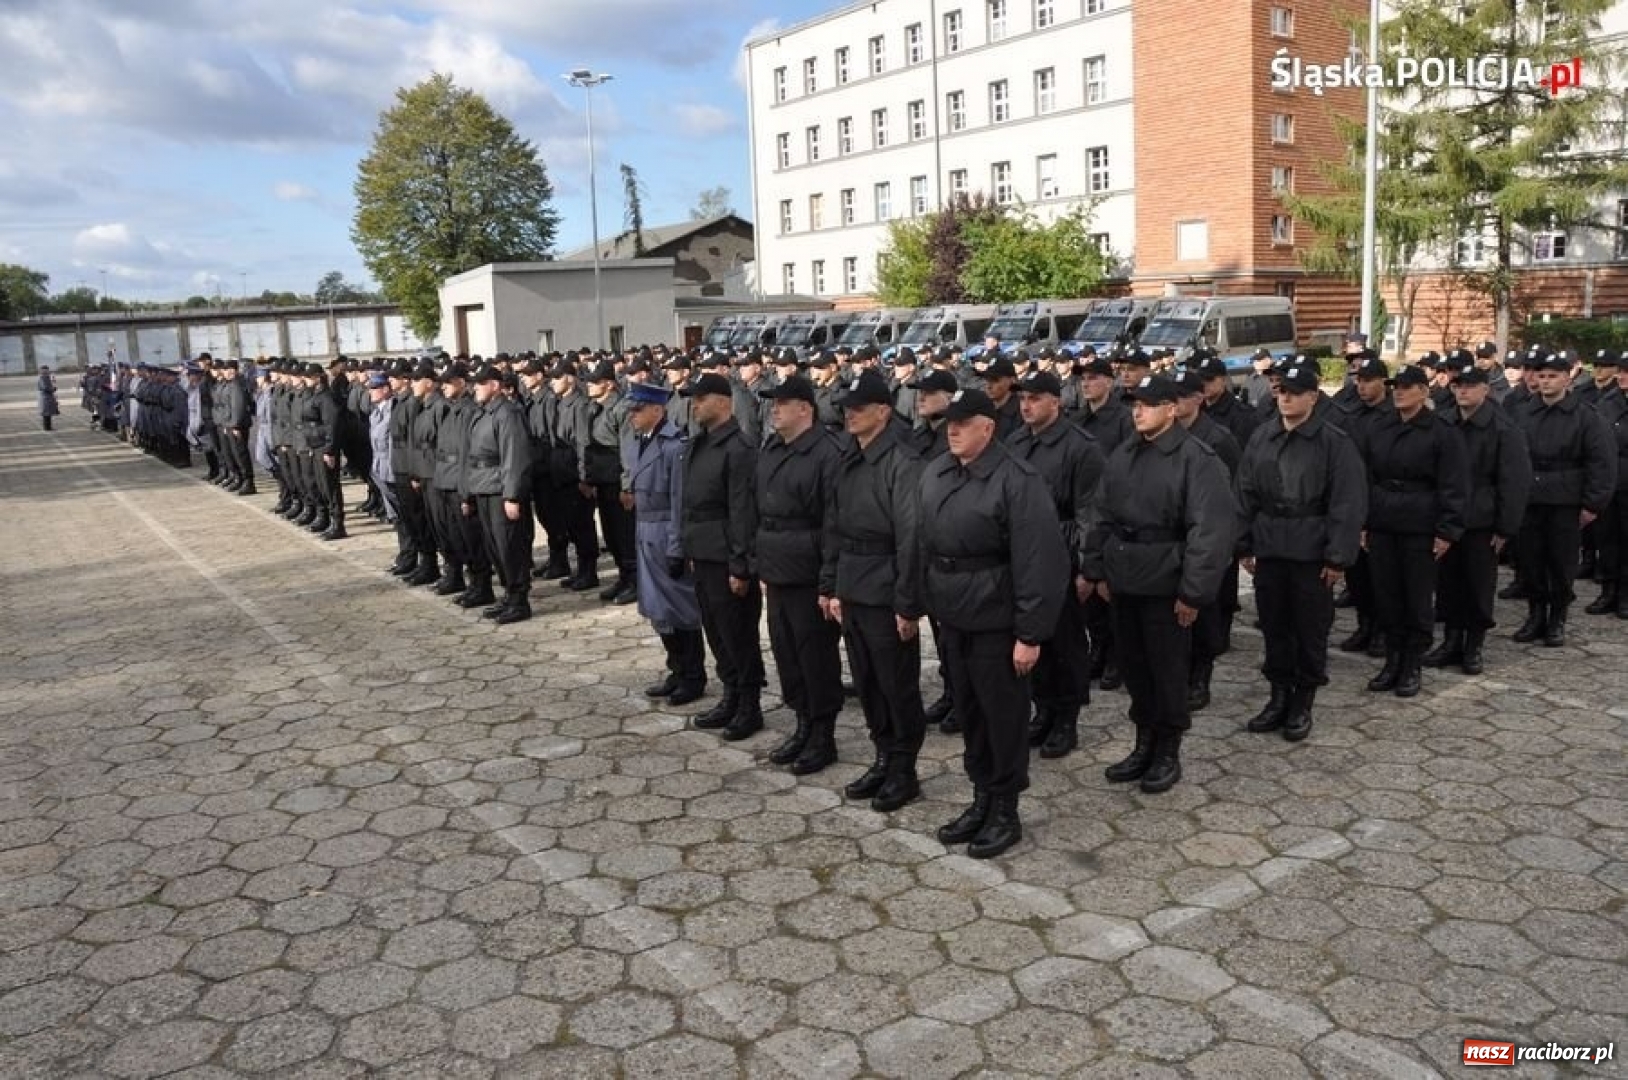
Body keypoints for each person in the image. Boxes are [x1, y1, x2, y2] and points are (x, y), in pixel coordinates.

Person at [920, 388, 1069, 858]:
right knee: (969, 711)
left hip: (996, 619)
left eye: (963, 422)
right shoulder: (940, 472)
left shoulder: (1016, 479)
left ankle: (1005, 808)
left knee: (1001, 716)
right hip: (953, 614)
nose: (953, 430)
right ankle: (980, 796)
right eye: (949, 422)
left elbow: (1038, 560)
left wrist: (1030, 634)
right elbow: (922, 541)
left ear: (989, 427)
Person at [1080, 374, 1237, 794]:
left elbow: (1210, 532)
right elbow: (1100, 514)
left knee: (1167, 671)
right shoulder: (1124, 454)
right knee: (1135, 667)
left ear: (1172, 408)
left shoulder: (1196, 458)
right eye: (1134, 403)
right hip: (1126, 577)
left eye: (1148, 404)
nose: (1138, 410)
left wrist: (1194, 592)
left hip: (1167, 584)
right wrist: (1096, 569)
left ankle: (1167, 749)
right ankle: (1143, 742)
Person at [1235, 362, 1366, 740]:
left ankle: (1302, 701)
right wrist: (1242, 543)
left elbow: (1347, 502)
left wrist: (1337, 557)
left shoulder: (1333, 442)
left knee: (1309, 629)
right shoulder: (1262, 436)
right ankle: (1278, 695)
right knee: (1275, 625)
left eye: (1294, 392)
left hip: (1311, 549)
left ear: (1313, 397)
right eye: (1280, 391)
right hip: (1271, 544)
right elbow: (1244, 491)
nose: (1286, 398)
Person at [823, 370, 928, 813]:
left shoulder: (902, 461)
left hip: (886, 587)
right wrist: (831, 585)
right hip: (853, 583)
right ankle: (883, 755)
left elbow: (912, 536)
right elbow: (834, 525)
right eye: (846, 408)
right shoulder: (849, 456)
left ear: (884, 411)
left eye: (860, 408)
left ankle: (904, 768)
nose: (850, 415)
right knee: (866, 681)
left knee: (895, 682)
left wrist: (907, 602)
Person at [1007, 368, 1105, 758]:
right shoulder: (1015, 441)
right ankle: (1043, 709)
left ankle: (1066, 718)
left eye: (1034, 398)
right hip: (1024, 556)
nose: (1026, 405)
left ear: (1055, 401)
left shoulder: (1081, 447)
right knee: (1033, 637)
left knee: (1064, 643)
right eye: (1022, 399)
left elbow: (1091, 514)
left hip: (1062, 554)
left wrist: (1086, 568)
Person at [1355, 365, 1469, 697]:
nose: (1399, 392)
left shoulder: (1442, 432)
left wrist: (1447, 531)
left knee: (1416, 598)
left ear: (1424, 391)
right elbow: (1364, 477)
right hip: (1383, 521)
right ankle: (1392, 659)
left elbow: (1454, 485)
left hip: (1420, 524)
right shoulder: (1379, 427)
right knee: (1387, 595)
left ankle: (1412, 664)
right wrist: (1363, 522)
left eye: (1407, 387)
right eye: (1395, 387)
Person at [756, 373, 846, 773]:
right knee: (786, 652)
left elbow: (834, 522)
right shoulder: (773, 446)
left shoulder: (827, 452)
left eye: (782, 402)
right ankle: (802, 722)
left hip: (809, 572)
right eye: (772, 402)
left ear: (805, 409)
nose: (774, 408)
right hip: (777, 567)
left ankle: (823, 734)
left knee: (815, 656)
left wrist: (829, 583)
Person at [1428, 363, 1532, 672]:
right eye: (1458, 385)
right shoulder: (1443, 422)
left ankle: (1473, 645)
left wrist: (1505, 527)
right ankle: (1450, 640)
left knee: (1477, 585)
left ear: (1485, 390)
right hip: (1448, 518)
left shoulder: (1503, 428)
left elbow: (1514, 482)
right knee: (1447, 584)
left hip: (1481, 520)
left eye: (1470, 386)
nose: (1462, 391)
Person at [1510, 348, 1617, 646]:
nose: (1544, 381)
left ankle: (1557, 618)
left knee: (1560, 564)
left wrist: (1593, 504)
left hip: (1565, 501)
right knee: (1530, 561)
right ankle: (1535, 615)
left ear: (1567, 378)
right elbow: (1511, 458)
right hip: (1530, 498)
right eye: (1540, 375)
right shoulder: (1524, 413)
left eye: (1552, 376)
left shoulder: (1585, 416)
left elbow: (1601, 462)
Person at [679, 372, 766, 735]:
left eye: (700, 398)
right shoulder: (701, 444)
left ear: (722, 402)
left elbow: (742, 511)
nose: (694, 404)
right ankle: (730, 692)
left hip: (727, 555)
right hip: (704, 551)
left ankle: (749, 704)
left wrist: (740, 566)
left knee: (737, 633)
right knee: (716, 631)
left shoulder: (739, 448)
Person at [625, 382, 708, 704]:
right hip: (644, 531)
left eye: (638, 409)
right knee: (659, 610)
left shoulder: (675, 446)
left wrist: (677, 548)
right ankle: (676, 669)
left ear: (657, 410)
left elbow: (678, 502)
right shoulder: (640, 441)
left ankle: (693, 675)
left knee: (681, 609)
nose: (633, 414)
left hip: (664, 533)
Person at [463, 363, 535, 624]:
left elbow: (514, 457)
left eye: (480, 384)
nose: (475, 388)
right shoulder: (485, 412)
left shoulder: (507, 413)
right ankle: (508, 594)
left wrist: (512, 495)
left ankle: (519, 600)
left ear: (494, 385)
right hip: (483, 486)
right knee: (494, 547)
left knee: (509, 546)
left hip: (499, 487)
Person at [581, 359, 638, 605]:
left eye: (594, 382)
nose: (589, 387)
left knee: (625, 535)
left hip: (617, 482)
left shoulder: (621, 408)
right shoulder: (597, 408)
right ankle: (624, 577)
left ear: (608, 384)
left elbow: (628, 449)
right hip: (603, 481)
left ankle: (635, 580)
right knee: (611, 535)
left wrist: (628, 486)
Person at [36, 366, 59, 430]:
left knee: (48, 414)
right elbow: (45, 388)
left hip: (48, 398)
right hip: (45, 398)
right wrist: (53, 389)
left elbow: (51, 384)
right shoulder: (42, 378)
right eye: (44, 371)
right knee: (46, 414)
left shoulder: (47, 378)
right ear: (41, 371)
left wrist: (53, 383)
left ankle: (48, 427)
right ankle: (47, 427)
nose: (46, 372)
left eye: (47, 371)